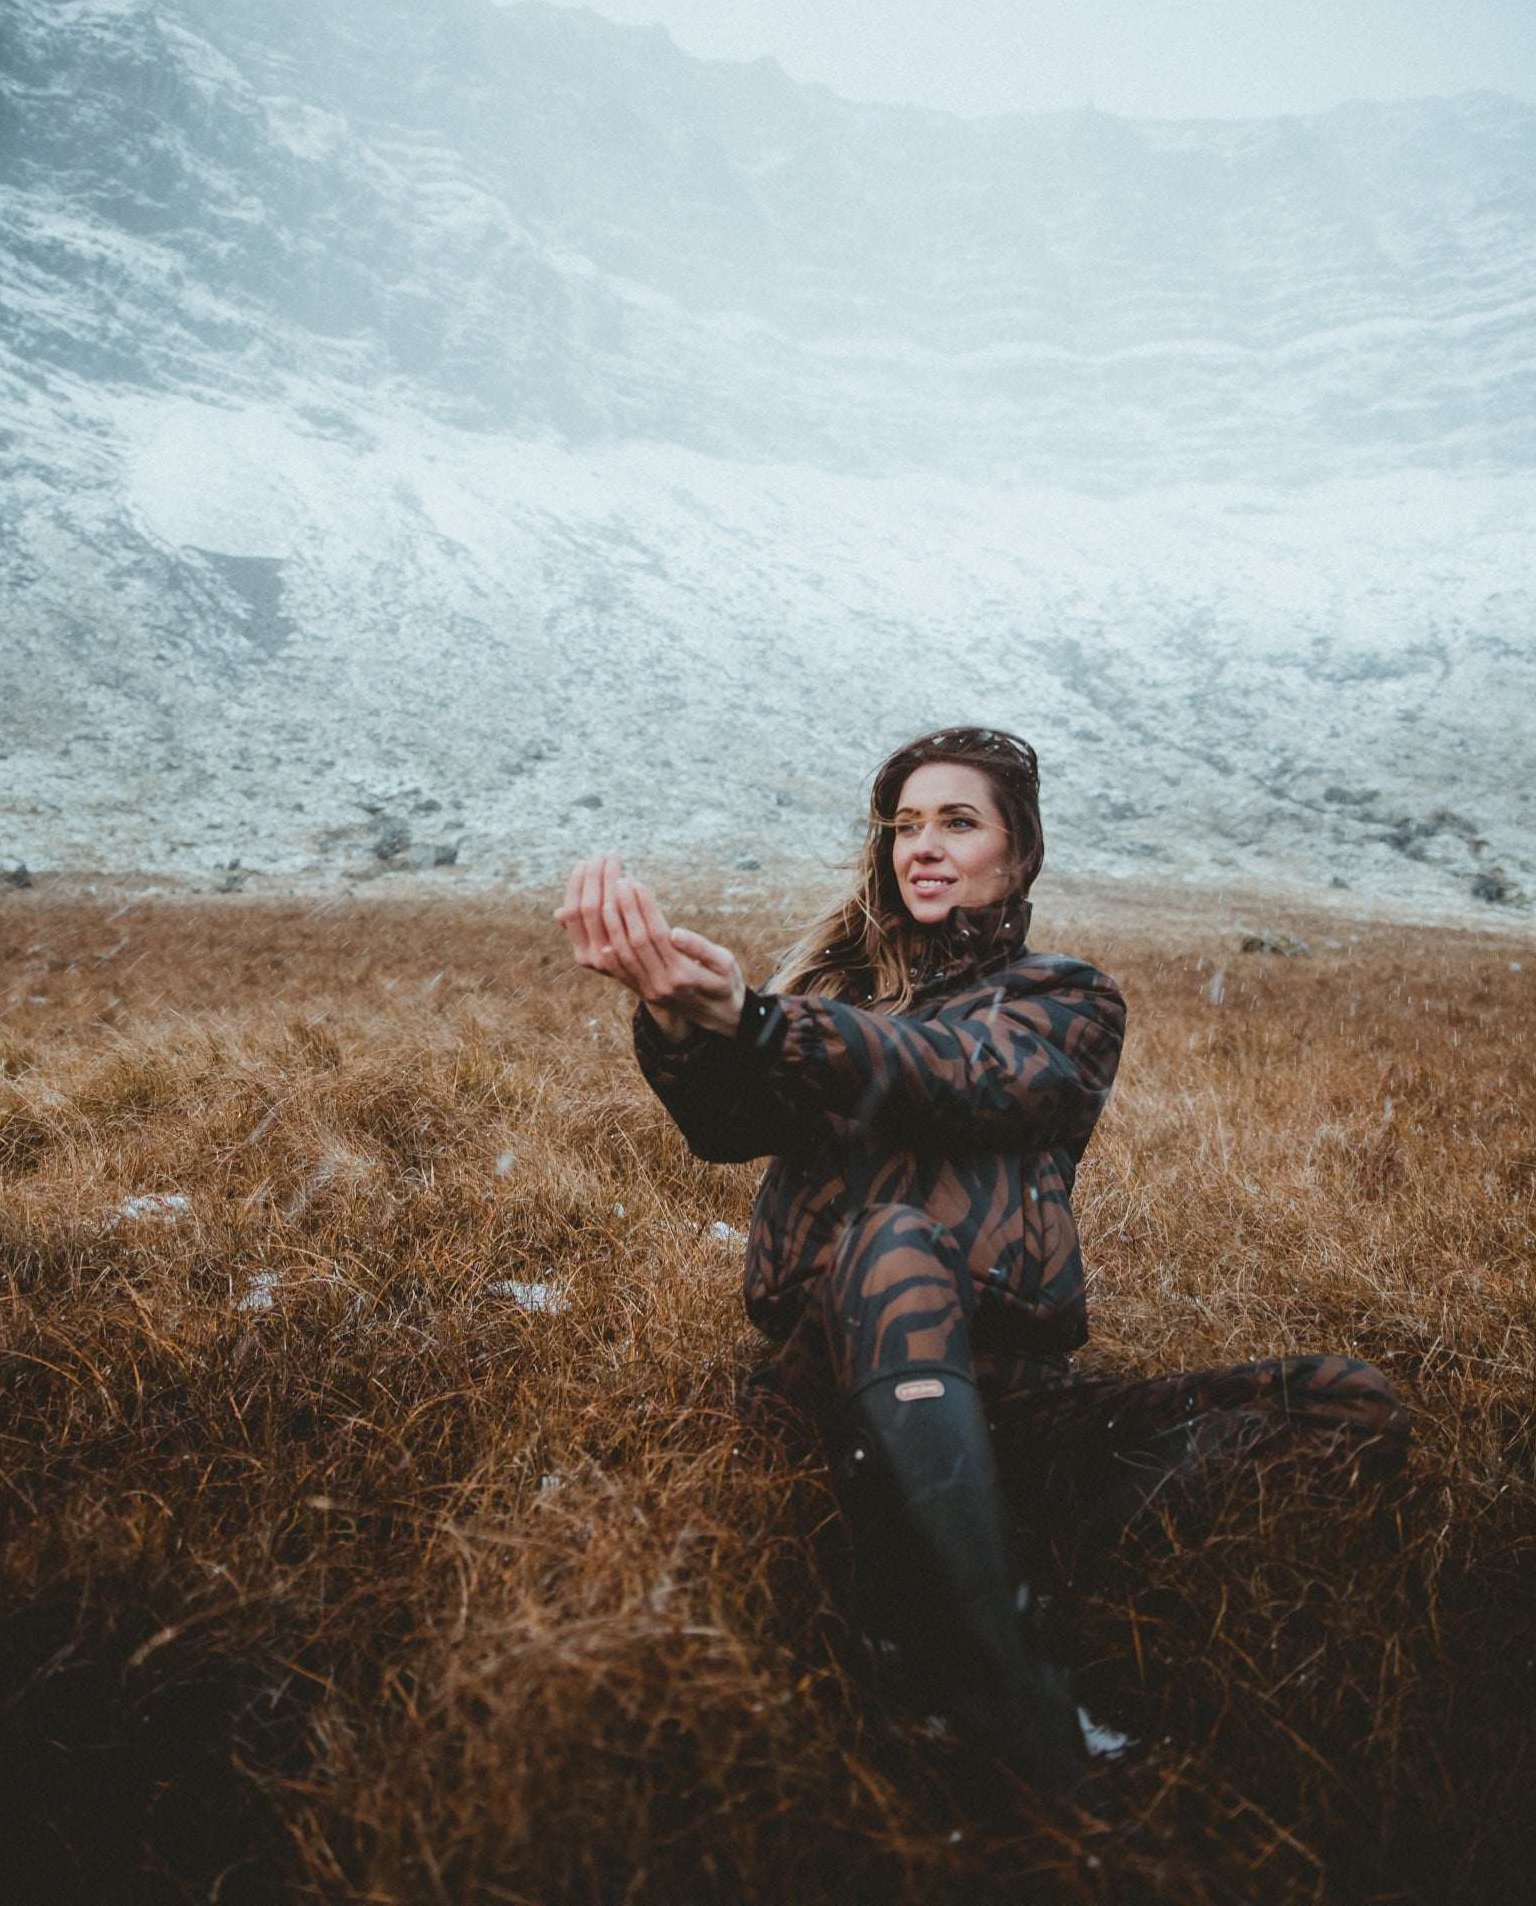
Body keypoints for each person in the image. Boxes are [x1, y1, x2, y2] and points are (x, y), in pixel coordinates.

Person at [555, 725, 1410, 1794]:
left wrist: (769, 1019)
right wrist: (683, 1020)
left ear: (1019, 854)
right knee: (894, 1244)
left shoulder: (1068, 1000)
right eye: (906, 824)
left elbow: (959, 1071)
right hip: (836, 1390)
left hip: (1016, 1399)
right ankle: (995, 1680)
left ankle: (990, 1540)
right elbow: (726, 1122)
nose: (924, 843)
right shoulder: (829, 1001)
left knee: (1348, 1401)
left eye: (959, 821)